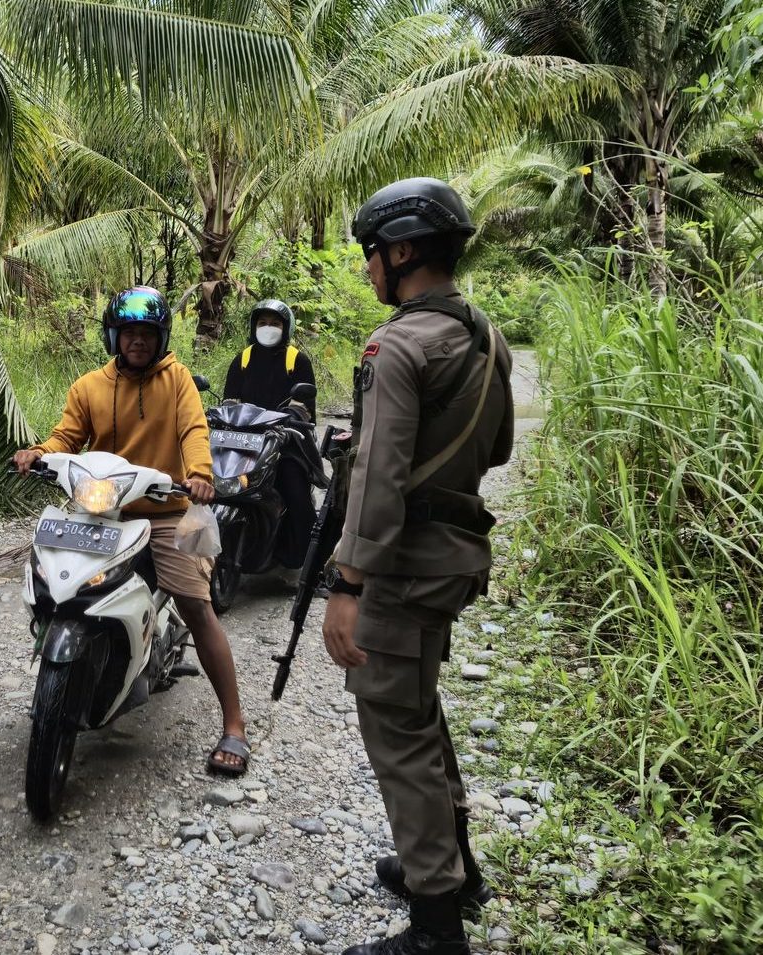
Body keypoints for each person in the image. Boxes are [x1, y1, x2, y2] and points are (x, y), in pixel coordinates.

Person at [320, 178, 515, 955]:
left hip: (402, 566)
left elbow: (375, 479)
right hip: (457, 555)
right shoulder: (484, 337)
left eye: (373, 254)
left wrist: (348, 582)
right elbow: (495, 450)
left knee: (395, 727)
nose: (370, 270)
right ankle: (453, 867)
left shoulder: (397, 344)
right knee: (420, 705)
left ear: (402, 251)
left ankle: (436, 924)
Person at [12, 286, 252, 776]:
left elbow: (193, 431)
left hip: (163, 510)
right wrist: (39, 452)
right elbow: (66, 437)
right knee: (56, 590)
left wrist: (201, 474)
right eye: (129, 333)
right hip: (100, 511)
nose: (137, 342)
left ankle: (234, 723)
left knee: (195, 605)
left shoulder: (178, 379)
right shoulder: (88, 387)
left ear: (160, 338)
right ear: (114, 337)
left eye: (146, 333)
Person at [222, 298, 317, 577]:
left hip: (285, 441)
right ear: (253, 327)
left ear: (286, 328)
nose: (268, 328)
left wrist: (289, 420)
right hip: (244, 441)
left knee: (295, 490)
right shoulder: (243, 358)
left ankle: (310, 564)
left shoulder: (296, 360)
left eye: (275, 323)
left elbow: (304, 407)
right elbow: (230, 400)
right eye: (262, 323)